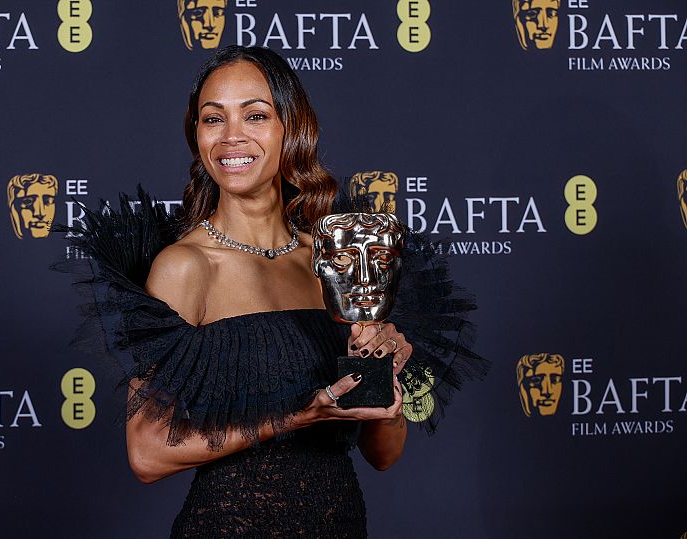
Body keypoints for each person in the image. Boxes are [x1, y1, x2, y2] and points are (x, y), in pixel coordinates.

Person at [63, 45, 483, 538]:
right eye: (212, 118)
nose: (231, 136)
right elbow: (148, 453)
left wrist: (386, 389)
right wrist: (302, 414)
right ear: (196, 135)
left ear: (292, 128)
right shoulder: (185, 267)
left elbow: (384, 456)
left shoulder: (336, 261)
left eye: (255, 115)